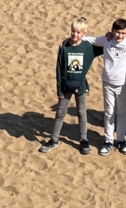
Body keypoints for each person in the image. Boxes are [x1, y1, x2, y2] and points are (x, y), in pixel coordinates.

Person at [40, 18, 96, 155]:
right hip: (65, 86)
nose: (74, 34)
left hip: (81, 86)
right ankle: (54, 140)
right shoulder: (64, 47)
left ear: (84, 33)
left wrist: (108, 36)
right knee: (60, 113)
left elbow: (105, 44)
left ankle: (84, 140)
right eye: (73, 31)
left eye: (78, 32)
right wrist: (59, 89)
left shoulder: (89, 48)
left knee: (81, 113)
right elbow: (59, 69)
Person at [90, 18, 126, 155]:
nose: (119, 36)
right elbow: (88, 39)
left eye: (123, 33)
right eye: (117, 32)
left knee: (121, 113)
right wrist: (67, 40)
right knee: (109, 112)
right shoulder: (106, 40)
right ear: (112, 31)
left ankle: (121, 140)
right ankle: (108, 140)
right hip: (108, 82)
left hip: (124, 83)